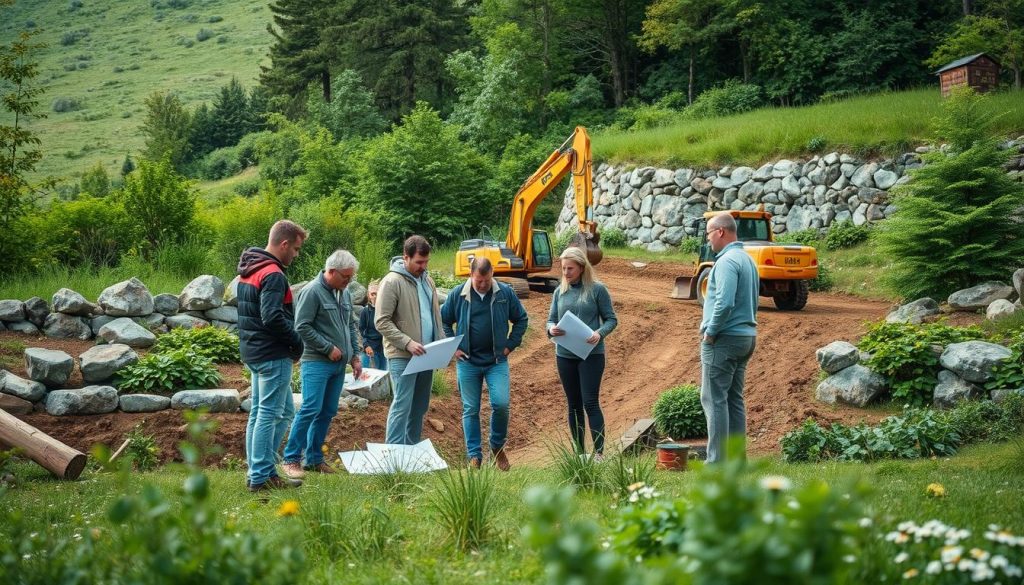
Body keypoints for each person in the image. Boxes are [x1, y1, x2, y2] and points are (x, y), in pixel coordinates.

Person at [238, 219, 306, 492]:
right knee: (267, 413)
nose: (296, 255)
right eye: (297, 249)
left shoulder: (250, 268)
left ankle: (258, 470)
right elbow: (272, 316)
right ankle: (262, 476)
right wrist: (296, 343)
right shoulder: (273, 273)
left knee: (276, 411)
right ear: (284, 244)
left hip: (253, 350)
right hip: (271, 354)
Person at [440, 258, 528, 470]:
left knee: (501, 404)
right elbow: (443, 321)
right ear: (471, 275)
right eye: (478, 281)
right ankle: (474, 456)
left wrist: (509, 345)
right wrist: (454, 347)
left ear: (492, 274)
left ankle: (497, 446)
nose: (482, 285)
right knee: (470, 409)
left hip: (496, 361)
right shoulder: (458, 294)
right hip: (467, 362)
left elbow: (521, 319)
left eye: (486, 280)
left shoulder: (504, 293)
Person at [282, 250, 363, 477]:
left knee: (327, 411)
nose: (349, 281)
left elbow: (349, 326)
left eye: (351, 277)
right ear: (331, 271)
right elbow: (302, 327)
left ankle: (314, 459)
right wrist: (328, 348)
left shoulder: (344, 294)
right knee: (310, 409)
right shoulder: (312, 292)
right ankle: (291, 459)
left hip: (339, 365)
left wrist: (355, 356)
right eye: (345, 277)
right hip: (316, 362)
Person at [546, 246, 617, 459]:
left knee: (590, 402)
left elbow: (612, 319)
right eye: (563, 269)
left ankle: (599, 453)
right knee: (573, 404)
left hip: (591, 355)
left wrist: (599, 333)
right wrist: (550, 329)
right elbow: (550, 319)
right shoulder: (560, 291)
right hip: (565, 355)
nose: (566, 273)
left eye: (570, 268)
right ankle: (579, 453)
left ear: (581, 267)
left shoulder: (597, 289)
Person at [698, 213, 759, 464]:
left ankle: (717, 463)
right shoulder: (747, 259)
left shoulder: (725, 262)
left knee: (713, 399)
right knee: (734, 398)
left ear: (721, 232)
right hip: (746, 337)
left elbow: (725, 302)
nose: (708, 239)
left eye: (709, 234)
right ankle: (736, 460)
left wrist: (711, 332)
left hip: (724, 339)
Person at [376, 235, 445, 445]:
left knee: (420, 406)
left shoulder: (428, 281)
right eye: (419, 262)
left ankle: (411, 449)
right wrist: (407, 342)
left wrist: (441, 345)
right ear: (405, 258)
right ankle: (394, 453)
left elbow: (434, 316)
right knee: (402, 404)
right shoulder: (391, 282)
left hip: (427, 354)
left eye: (426, 262)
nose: (423, 266)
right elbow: (381, 321)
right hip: (402, 355)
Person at [359, 280, 387, 370]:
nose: (375, 296)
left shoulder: (386, 310)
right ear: (369, 295)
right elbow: (361, 331)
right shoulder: (365, 311)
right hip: (370, 348)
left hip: (384, 349)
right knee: (367, 376)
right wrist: (366, 345)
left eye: (377, 294)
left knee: (382, 377)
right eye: (373, 294)